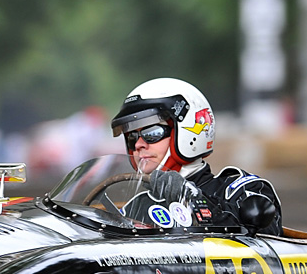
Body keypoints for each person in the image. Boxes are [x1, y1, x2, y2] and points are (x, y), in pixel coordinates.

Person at [109, 77, 283, 235]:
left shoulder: (241, 191)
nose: (139, 144)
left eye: (151, 133)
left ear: (186, 133)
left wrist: (192, 198)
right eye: (132, 137)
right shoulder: (136, 206)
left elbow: (266, 239)